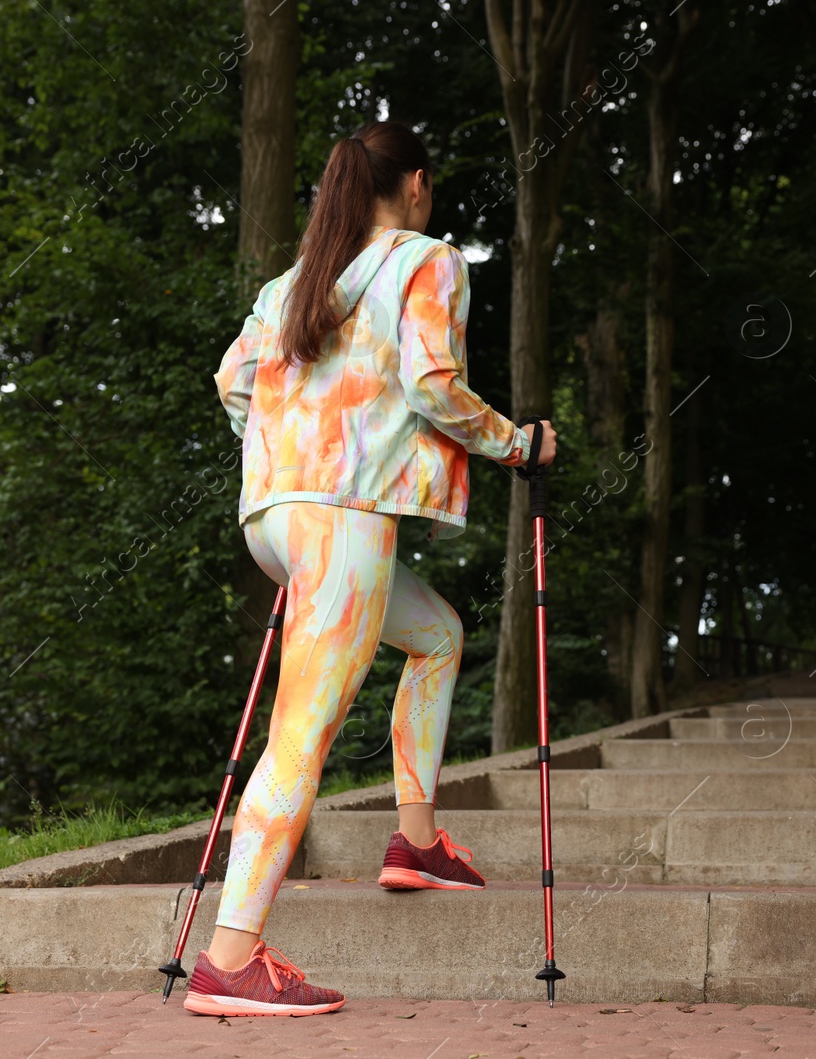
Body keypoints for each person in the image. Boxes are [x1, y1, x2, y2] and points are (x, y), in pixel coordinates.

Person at [183, 121, 557, 1017]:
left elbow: (234, 380)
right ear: (416, 184)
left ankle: (418, 841)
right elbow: (433, 383)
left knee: (436, 635)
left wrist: (285, 454)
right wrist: (518, 446)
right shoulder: (429, 260)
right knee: (301, 733)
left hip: (273, 517)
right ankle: (231, 957)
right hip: (340, 524)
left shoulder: (292, 282)